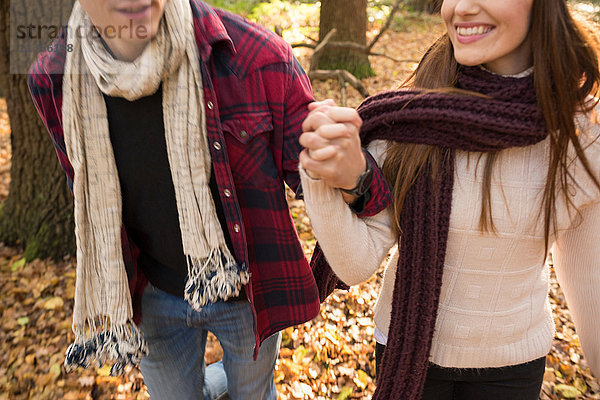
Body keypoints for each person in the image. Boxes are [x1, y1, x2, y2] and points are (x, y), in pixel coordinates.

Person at [26, 0, 391, 398]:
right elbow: (80, 185)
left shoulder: (258, 58)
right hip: (151, 294)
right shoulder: (54, 76)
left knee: (252, 393)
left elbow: (342, 195)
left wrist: (353, 173)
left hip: (248, 294)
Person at [299, 0, 600, 398]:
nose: (461, 7)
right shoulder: (409, 116)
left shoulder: (582, 136)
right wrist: (326, 174)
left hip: (513, 366)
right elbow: (356, 264)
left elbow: (590, 285)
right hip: (406, 354)